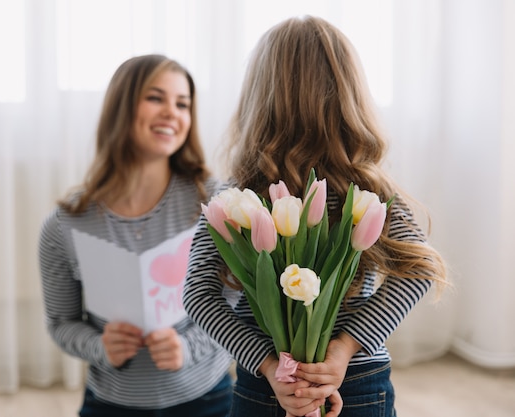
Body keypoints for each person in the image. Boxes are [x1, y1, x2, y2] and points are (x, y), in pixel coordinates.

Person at [183, 16, 448, 417]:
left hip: (269, 381)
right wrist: (345, 350)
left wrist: (273, 366)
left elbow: (197, 296)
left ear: (258, 99)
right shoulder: (368, 190)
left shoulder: (236, 199)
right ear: (349, 96)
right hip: (355, 377)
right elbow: (418, 274)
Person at [38, 54, 234, 417]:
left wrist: (187, 346)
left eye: (183, 104)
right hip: (112, 403)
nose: (171, 113)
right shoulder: (65, 224)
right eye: (155, 98)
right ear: (121, 107)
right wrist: (100, 346)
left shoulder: (215, 203)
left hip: (208, 399)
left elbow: (237, 303)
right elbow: (61, 323)